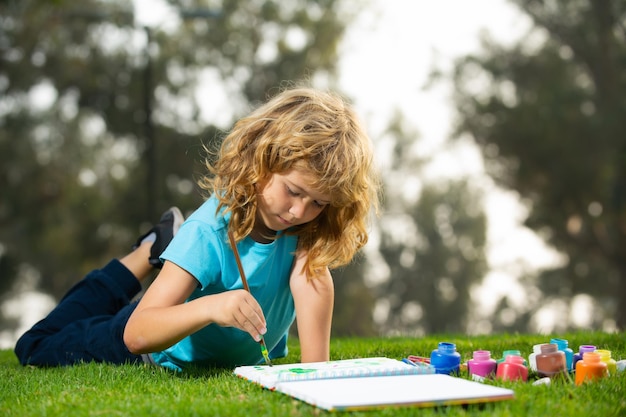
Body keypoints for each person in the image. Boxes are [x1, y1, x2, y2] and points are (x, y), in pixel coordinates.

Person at [15, 86, 380, 371]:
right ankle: (148, 253)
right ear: (262, 160)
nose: (300, 211)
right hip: (148, 339)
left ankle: (163, 246)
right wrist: (211, 307)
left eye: (318, 202)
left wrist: (310, 276)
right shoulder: (209, 231)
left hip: (193, 312)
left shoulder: (307, 230)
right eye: (293, 191)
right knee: (35, 345)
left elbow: (317, 368)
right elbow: (137, 335)